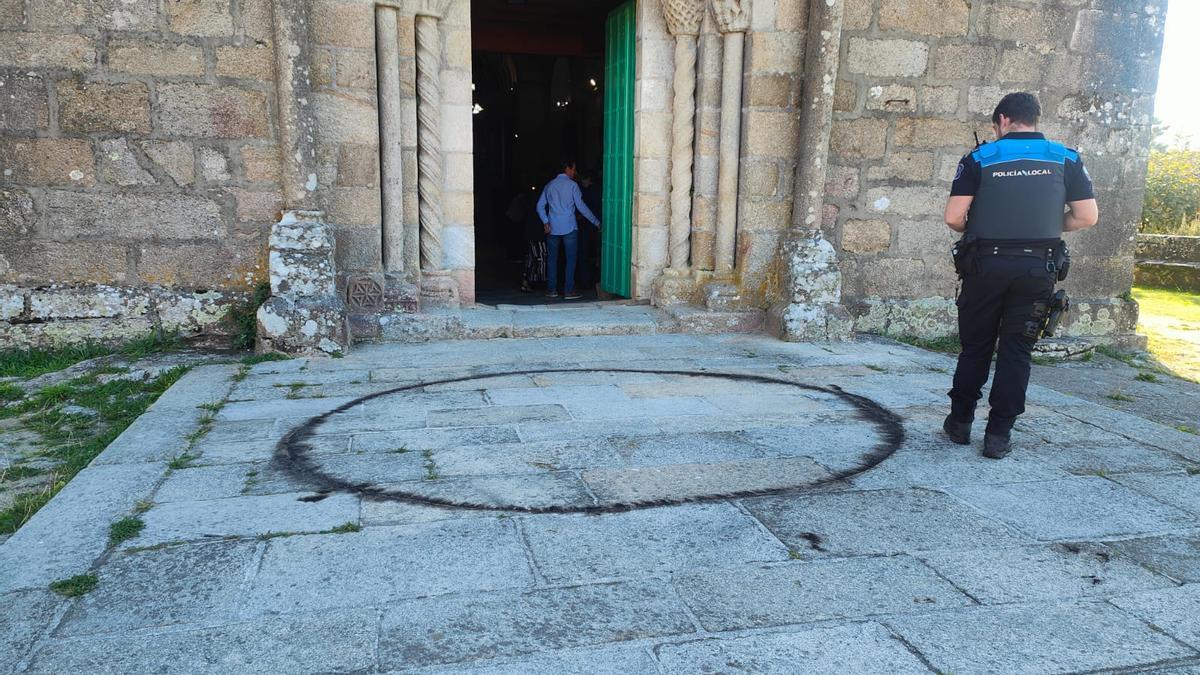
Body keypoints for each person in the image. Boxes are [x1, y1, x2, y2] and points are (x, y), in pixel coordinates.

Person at [942, 92, 1099, 459]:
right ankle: (998, 435)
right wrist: (1046, 226)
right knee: (1017, 351)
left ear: (1002, 121)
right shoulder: (1067, 158)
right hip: (1037, 267)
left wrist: (983, 224)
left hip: (985, 265)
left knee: (976, 347)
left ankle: (960, 422)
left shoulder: (980, 158)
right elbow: (1087, 216)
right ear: (1034, 120)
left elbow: (953, 217)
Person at [537, 159, 601, 300]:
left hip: (552, 228)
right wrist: (596, 222)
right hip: (569, 227)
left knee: (552, 259)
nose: (575, 172)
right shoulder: (573, 186)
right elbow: (581, 207)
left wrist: (545, 222)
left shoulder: (549, 185)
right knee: (571, 260)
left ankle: (552, 290)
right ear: (568, 168)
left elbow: (539, 206)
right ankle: (568, 291)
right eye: (574, 169)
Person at [506, 184, 547, 293]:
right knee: (540, 256)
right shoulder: (540, 201)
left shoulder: (530, 200)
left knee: (532, 257)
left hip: (530, 232)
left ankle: (528, 280)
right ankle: (533, 280)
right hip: (537, 233)